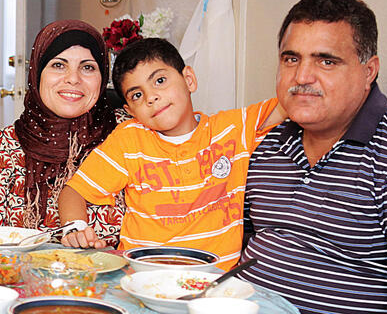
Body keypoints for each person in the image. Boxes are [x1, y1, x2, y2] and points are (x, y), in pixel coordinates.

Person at [58, 37, 284, 271]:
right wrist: (75, 229)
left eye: (160, 80)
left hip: (213, 279)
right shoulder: (129, 139)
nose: (151, 98)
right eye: (137, 95)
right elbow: (73, 192)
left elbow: (290, 103)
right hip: (142, 274)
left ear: (189, 79)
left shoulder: (233, 128)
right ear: (130, 110)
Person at [239, 0, 387, 314]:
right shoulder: (267, 143)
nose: (301, 77)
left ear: (369, 71)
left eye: (326, 61)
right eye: (291, 59)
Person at [0, 19, 130, 246]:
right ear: (37, 73)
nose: (73, 78)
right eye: (59, 65)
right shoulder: (5, 147)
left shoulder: (132, 136)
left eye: (88, 67)